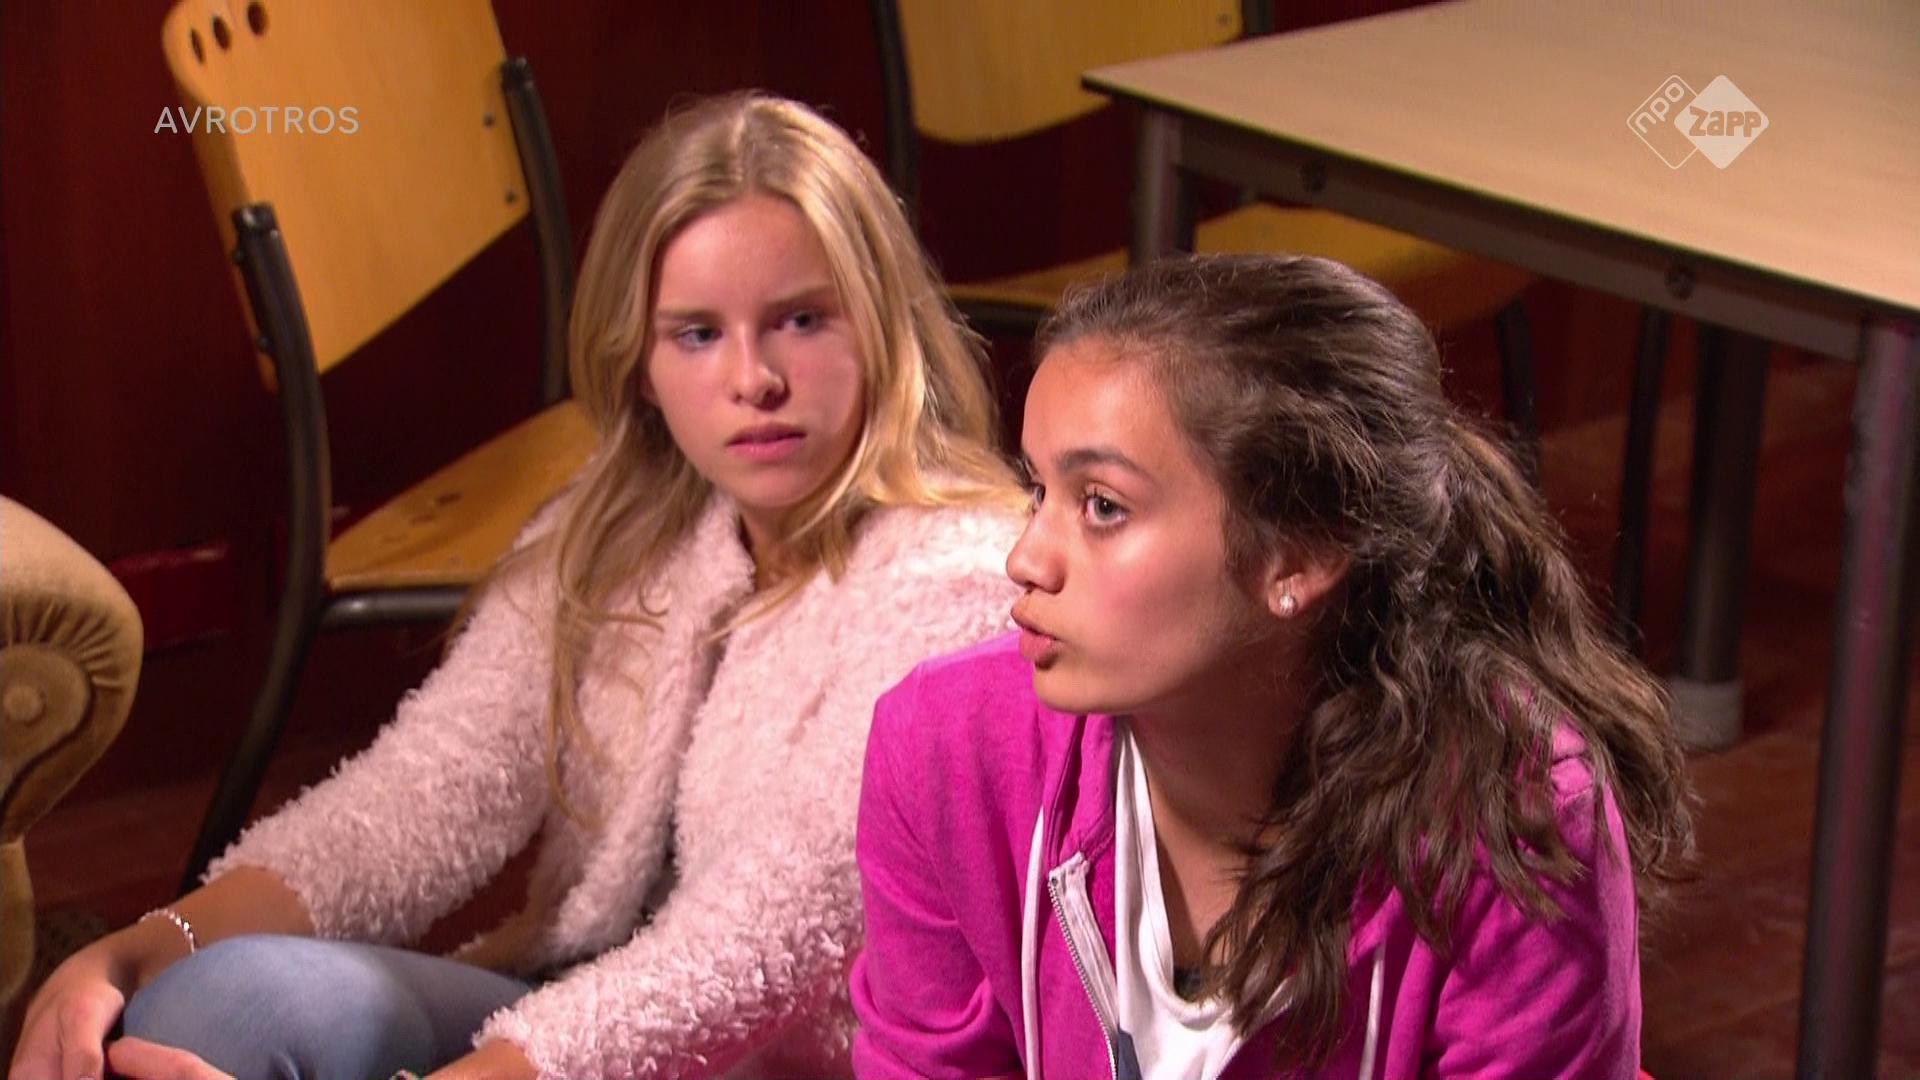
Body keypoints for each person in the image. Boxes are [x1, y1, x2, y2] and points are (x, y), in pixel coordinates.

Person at [14, 92, 1027, 1080]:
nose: (753, 378)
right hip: (569, 1017)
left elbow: (748, 952)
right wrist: (132, 952)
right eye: (696, 333)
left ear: (881, 326)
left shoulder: (958, 587)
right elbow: (424, 795)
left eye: (802, 319)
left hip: (776, 1060)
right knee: (210, 1007)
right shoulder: (617, 535)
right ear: (639, 363)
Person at [850, 254, 1697, 1079]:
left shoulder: (1517, 823)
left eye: (1102, 506)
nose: (1027, 559)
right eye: (1040, 491)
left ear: (1301, 553)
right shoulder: (942, 747)